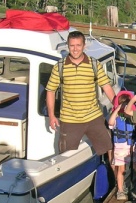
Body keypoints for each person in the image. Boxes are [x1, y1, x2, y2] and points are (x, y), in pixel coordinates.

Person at [45, 30, 116, 158]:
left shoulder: (94, 64)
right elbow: (50, 90)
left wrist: (117, 108)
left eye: (78, 45)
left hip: (93, 117)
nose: (75, 49)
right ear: (68, 46)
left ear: (84, 46)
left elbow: (107, 87)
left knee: (111, 149)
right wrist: (51, 115)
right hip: (69, 120)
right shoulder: (59, 67)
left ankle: (115, 177)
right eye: (72, 45)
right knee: (65, 157)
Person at [108, 91, 136, 200]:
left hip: (132, 145)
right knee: (121, 169)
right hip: (120, 146)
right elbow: (110, 123)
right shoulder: (116, 117)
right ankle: (120, 191)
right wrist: (117, 110)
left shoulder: (132, 115)